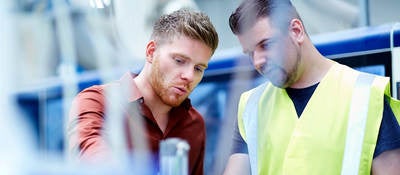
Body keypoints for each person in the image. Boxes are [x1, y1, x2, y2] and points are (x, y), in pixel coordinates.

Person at [224, 0, 400, 174]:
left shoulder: (365, 96)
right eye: (250, 53)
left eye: (266, 44)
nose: (257, 61)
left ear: (296, 31)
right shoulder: (251, 106)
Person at [67, 9, 218, 175]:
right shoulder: (97, 101)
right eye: (179, 61)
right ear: (151, 52)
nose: (189, 76)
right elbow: (93, 159)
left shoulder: (194, 124)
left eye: (198, 68)